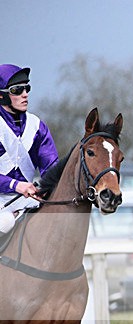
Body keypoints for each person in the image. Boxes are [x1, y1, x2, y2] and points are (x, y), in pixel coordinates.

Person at [0, 64, 58, 235]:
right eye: (17, 90)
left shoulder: (37, 126)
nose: (25, 94)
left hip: (28, 201)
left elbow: (51, 168)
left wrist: (49, 189)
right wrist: (15, 185)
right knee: (5, 222)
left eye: (27, 88)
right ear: (2, 95)